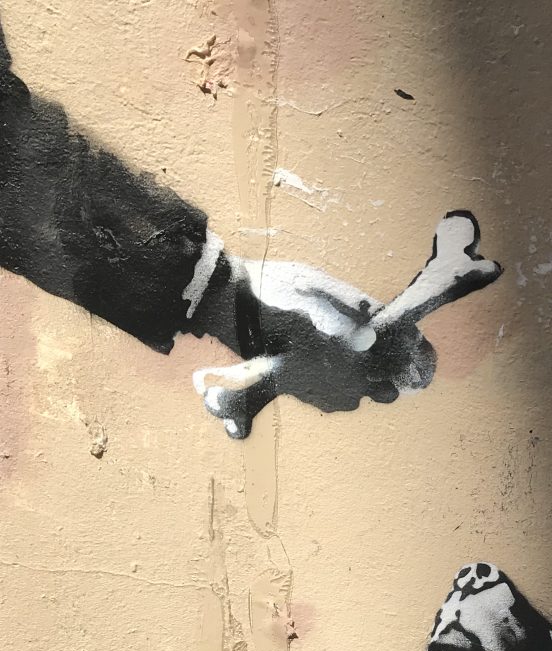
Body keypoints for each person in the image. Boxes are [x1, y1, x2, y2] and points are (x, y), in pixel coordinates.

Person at [0, 15, 500, 438]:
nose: (360, 303)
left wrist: (437, 286)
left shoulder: (318, 348)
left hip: (178, 274)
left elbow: (24, 152)